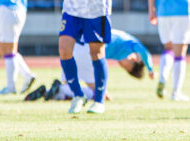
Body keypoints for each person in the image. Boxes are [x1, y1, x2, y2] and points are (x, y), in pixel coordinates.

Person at [25, 28, 154, 101]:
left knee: (70, 87)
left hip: (74, 47)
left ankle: (50, 91)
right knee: (100, 94)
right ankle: (60, 90)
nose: (122, 66)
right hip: (87, 51)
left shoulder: (120, 40)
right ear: (134, 60)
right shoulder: (130, 44)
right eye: (127, 67)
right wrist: (151, 69)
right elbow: (144, 51)